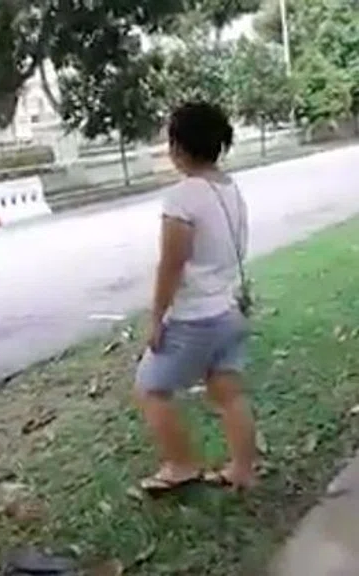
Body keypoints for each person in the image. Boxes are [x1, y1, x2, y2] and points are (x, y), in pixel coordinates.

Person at [135, 101, 258, 494]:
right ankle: (241, 470)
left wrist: (156, 318)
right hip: (229, 309)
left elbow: (171, 264)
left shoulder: (183, 197)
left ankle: (181, 464)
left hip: (196, 316)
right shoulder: (229, 187)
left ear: (179, 147)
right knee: (228, 392)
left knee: (151, 389)